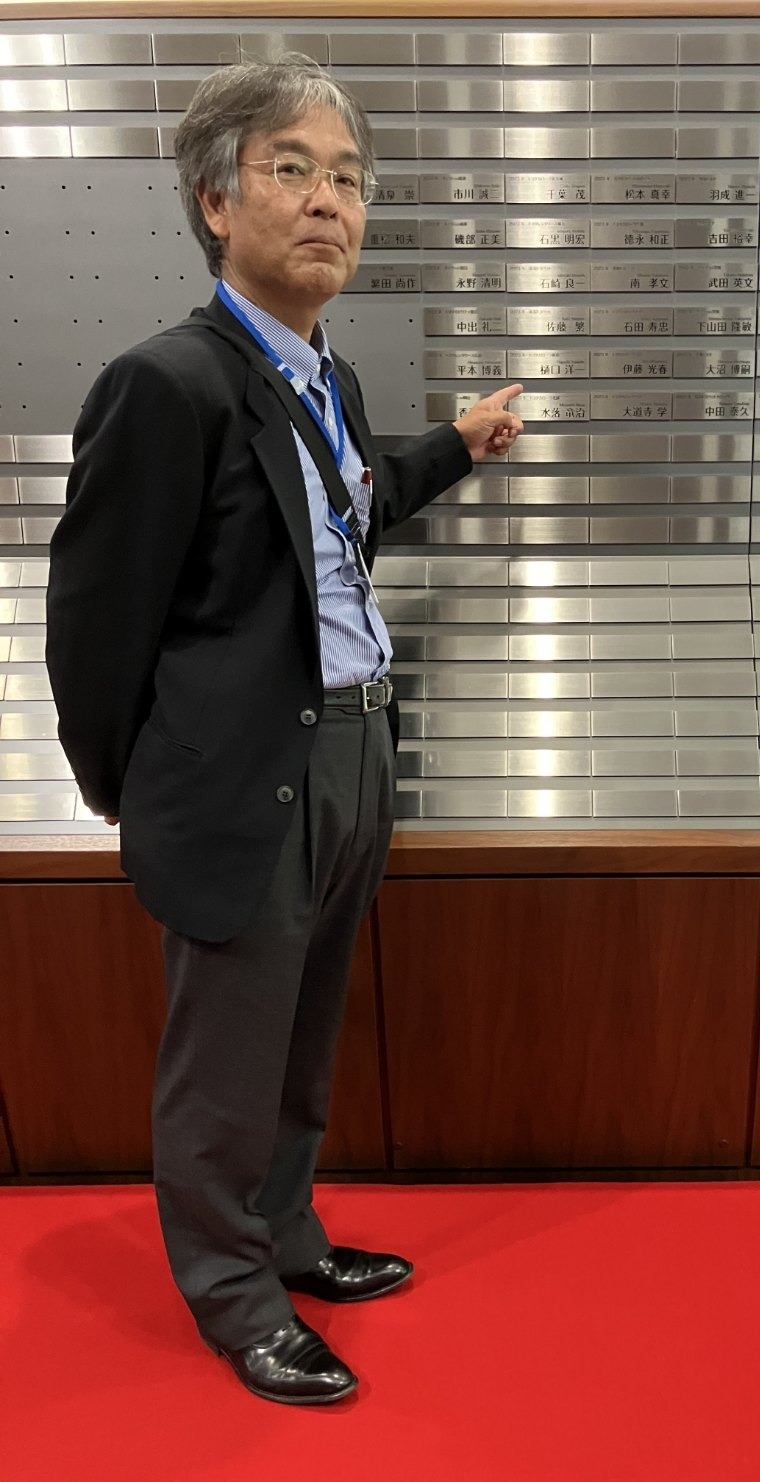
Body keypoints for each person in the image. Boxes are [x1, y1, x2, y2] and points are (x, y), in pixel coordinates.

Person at [45, 54, 523, 1406]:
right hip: (242, 777)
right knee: (228, 1057)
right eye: (293, 170)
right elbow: (96, 618)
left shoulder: (327, 381)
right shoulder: (167, 384)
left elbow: (347, 512)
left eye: (350, 179)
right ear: (216, 201)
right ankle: (233, 1293)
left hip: (353, 751)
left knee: (305, 1030)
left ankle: (289, 1234)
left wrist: (455, 443)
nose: (330, 202)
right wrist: (127, 786)